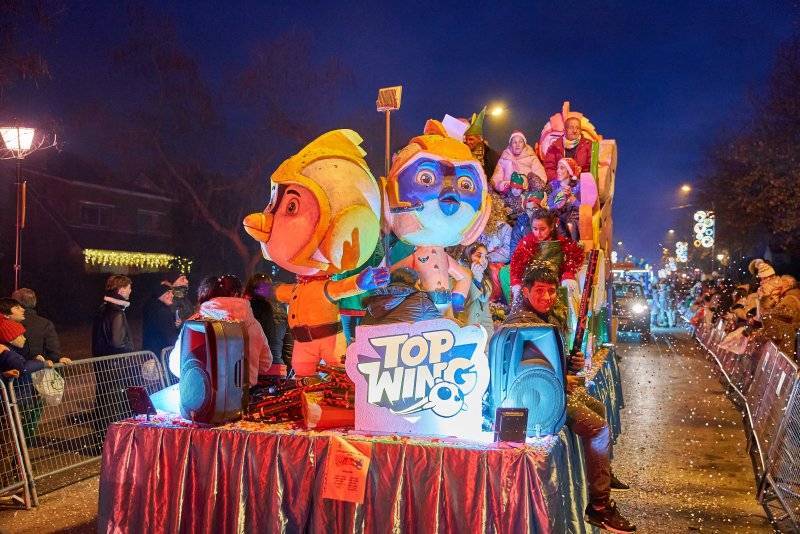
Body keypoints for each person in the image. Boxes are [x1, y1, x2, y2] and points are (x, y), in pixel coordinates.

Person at [503, 260, 635, 532]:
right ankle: (599, 507)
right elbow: (523, 372)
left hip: (551, 391)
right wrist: (562, 379)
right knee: (597, 428)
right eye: (539, 290)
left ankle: (602, 473)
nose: (547, 297)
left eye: (551, 291)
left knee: (597, 406)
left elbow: (547, 360)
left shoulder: (540, 318)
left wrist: (568, 364)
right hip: (536, 402)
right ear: (525, 291)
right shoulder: (522, 323)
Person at [168, 275, 274, 385]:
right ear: (237, 294)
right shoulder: (253, 324)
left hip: (203, 391)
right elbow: (265, 363)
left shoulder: (194, 324)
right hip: (244, 392)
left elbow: (176, 365)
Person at [91, 275, 135, 446]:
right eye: (129, 288)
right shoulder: (116, 313)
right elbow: (117, 342)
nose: (130, 291)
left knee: (103, 401)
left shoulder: (103, 309)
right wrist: (129, 349)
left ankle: (101, 439)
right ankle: (111, 442)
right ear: (121, 290)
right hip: (115, 366)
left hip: (103, 363)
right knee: (113, 403)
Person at [509, 211, 585, 307]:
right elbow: (516, 267)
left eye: (542, 229)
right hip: (533, 284)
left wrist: (568, 274)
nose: (538, 233)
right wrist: (516, 283)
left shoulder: (561, 242)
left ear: (551, 227)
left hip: (556, 283)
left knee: (569, 284)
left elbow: (574, 257)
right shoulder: (525, 244)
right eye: (535, 229)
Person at [491, 131, 547, 218]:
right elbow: (496, 179)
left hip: (528, 193)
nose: (517, 145)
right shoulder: (504, 158)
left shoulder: (531, 157)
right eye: (514, 142)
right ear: (510, 144)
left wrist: (526, 184)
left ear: (524, 144)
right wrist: (504, 185)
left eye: (520, 142)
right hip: (509, 193)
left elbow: (541, 177)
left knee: (532, 177)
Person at [362, 268, 441, 326]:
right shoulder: (420, 299)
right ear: (417, 282)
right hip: (406, 342)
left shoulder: (376, 298)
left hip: (373, 343)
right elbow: (440, 327)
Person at [10, 289, 70, 365]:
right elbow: (54, 352)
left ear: (16, 304)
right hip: (40, 368)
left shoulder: (8, 324)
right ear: (34, 302)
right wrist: (59, 358)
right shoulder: (45, 324)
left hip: (15, 368)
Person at [245, 273, 289, 373]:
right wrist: (285, 369)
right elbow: (288, 346)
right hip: (277, 367)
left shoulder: (246, 309)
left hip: (254, 367)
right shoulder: (282, 310)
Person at [478, 196, 513, 302]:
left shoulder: (505, 228)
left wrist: (488, 257)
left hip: (496, 262)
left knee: (493, 271)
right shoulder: (477, 227)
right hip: (479, 260)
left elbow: (507, 251)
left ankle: (494, 300)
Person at [457, 243, 494, 336]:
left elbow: (484, 299)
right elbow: (463, 302)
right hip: (463, 329)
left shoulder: (485, 277)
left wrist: (478, 279)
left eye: (485, 257)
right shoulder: (457, 274)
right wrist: (475, 280)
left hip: (483, 330)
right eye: (478, 255)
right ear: (467, 256)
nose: (483, 260)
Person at [543, 115, 593, 180]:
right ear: (564, 130)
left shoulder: (588, 144)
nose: (575, 131)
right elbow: (549, 168)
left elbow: (591, 168)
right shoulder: (555, 146)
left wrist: (578, 179)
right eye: (571, 128)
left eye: (578, 128)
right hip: (560, 182)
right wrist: (560, 181)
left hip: (582, 182)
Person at [547, 158, 582, 240]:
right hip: (557, 215)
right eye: (557, 168)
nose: (558, 171)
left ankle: (572, 245)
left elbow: (582, 207)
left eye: (562, 168)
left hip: (573, 216)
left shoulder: (578, 185)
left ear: (569, 171)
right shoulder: (552, 185)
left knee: (571, 224)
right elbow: (549, 205)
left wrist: (571, 197)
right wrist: (560, 202)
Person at [142, 285, 179, 359]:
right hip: (162, 353)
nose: (172, 295)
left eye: (172, 293)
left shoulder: (151, 307)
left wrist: (174, 325)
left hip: (151, 352)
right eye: (168, 293)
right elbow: (168, 334)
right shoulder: (162, 311)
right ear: (160, 295)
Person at [462, 107, 500, 177]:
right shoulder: (463, 152)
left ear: (480, 139)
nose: (468, 142)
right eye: (466, 139)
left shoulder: (491, 155)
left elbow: (498, 174)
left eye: (471, 139)